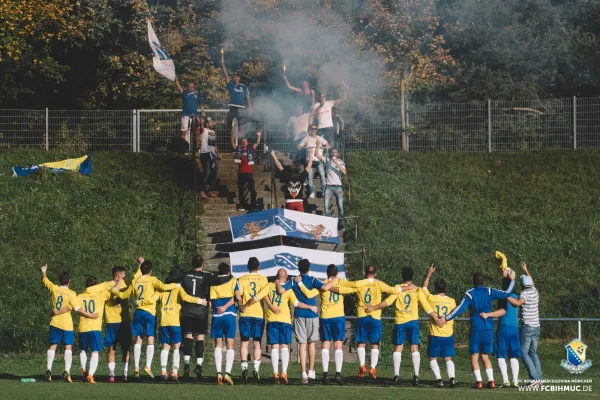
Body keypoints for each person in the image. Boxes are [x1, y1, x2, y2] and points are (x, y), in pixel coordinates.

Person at [241, 268, 317, 385]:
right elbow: (296, 303)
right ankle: (284, 372)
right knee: (284, 346)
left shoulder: (270, 286)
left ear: (277, 276)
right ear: (286, 277)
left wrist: (246, 305)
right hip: (285, 320)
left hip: (272, 320)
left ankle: (275, 373)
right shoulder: (288, 289)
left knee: (274, 347)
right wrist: (309, 307)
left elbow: (257, 297)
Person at [442, 270, 516, 389]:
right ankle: (491, 381)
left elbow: (460, 308)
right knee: (485, 356)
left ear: (473, 282)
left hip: (476, 328)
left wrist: (447, 318)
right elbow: (507, 293)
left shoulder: (470, 294)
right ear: (483, 282)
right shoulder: (489, 291)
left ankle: (479, 381)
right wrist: (512, 280)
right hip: (488, 327)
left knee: (474, 356)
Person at [328, 264, 404, 380]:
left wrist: (329, 287)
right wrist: (406, 288)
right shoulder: (379, 284)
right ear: (375, 274)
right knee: (375, 344)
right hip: (375, 317)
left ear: (365, 273)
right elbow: (393, 290)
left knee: (361, 342)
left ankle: (362, 365)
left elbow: (346, 289)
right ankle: (372, 368)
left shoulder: (361, 283)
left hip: (362, 315)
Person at [364, 267, 437, 386]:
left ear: (402, 276)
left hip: (400, 323)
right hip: (413, 322)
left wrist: (373, 307)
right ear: (412, 277)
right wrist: (437, 319)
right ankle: (416, 375)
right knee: (414, 348)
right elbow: (427, 307)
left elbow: (387, 302)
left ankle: (396, 374)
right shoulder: (417, 289)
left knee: (398, 348)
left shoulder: (398, 289)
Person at [298, 265, 370, 385]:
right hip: (338, 317)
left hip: (326, 317)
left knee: (325, 345)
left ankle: (325, 374)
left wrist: (300, 284)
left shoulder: (323, 284)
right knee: (338, 345)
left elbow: (310, 294)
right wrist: (369, 281)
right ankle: (338, 374)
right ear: (336, 274)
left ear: (327, 274)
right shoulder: (341, 282)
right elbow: (355, 286)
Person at [41, 264, 98, 383]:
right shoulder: (72, 293)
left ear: (59, 281)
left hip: (55, 322)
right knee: (68, 347)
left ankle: (49, 370)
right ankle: (67, 371)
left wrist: (44, 270)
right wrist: (90, 315)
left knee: (52, 346)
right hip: (66, 324)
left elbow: (45, 280)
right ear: (69, 282)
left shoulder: (54, 288)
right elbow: (77, 308)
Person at [180, 255, 233, 380]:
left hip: (188, 310)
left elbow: (171, 279)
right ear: (202, 264)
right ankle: (198, 364)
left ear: (192, 263)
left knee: (188, 337)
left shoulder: (185, 275)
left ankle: (186, 364)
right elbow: (220, 280)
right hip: (200, 312)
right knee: (200, 338)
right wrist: (229, 276)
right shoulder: (205, 276)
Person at [130, 260, 181, 379]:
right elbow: (163, 287)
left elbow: (130, 290)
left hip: (138, 311)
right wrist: (176, 285)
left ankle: (136, 367)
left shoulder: (135, 281)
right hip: (149, 312)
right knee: (150, 338)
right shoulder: (153, 280)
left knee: (138, 339)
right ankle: (148, 366)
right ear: (151, 271)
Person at [278, 259, 324, 384]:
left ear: (298, 268)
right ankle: (311, 370)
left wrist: (277, 281)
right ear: (309, 268)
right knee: (312, 343)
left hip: (299, 314)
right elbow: (324, 287)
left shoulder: (293, 280)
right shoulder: (313, 280)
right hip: (312, 314)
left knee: (302, 344)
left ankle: (303, 373)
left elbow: (281, 290)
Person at [156, 268, 204, 383]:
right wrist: (200, 301)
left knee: (165, 347)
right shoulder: (178, 288)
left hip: (163, 322)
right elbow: (186, 298)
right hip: (175, 321)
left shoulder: (162, 289)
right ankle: (174, 372)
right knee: (176, 347)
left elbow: (154, 299)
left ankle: (163, 372)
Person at [75, 276, 120, 384]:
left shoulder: (80, 295)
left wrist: (87, 314)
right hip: (94, 327)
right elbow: (114, 291)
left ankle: (84, 371)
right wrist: (119, 282)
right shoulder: (100, 295)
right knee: (95, 352)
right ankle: (90, 375)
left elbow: (76, 308)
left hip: (83, 327)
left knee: (83, 350)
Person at [480, 276, 521, 388]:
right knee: (513, 356)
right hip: (514, 328)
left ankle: (506, 381)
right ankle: (515, 381)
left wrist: (488, 314)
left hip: (504, 327)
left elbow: (502, 311)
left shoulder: (503, 297)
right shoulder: (516, 296)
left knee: (501, 355)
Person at [506, 262, 542, 386]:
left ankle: (534, 378)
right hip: (537, 326)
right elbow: (532, 282)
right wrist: (526, 270)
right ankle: (539, 378)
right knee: (533, 353)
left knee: (523, 353)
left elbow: (517, 303)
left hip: (528, 327)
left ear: (522, 284)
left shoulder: (525, 294)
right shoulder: (534, 290)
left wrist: (506, 296)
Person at [422, 265, 457, 388]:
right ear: (445, 288)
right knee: (448, 358)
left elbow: (424, 287)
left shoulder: (431, 298)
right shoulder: (452, 301)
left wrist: (429, 273)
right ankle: (452, 378)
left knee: (432, 358)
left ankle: (439, 380)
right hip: (448, 333)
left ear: (435, 288)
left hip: (435, 333)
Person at [103, 265, 140, 383]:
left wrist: (140, 264)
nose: (125, 276)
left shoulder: (125, 283)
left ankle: (124, 373)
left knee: (126, 348)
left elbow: (136, 276)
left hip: (124, 321)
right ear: (118, 275)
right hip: (112, 321)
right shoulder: (107, 285)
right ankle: (111, 374)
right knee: (111, 348)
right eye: (123, 274)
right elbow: (112, 293)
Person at [237, 257, 269, 381]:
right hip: (258, 314)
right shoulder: (263, 279)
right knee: (257, 342)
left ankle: (244, 367)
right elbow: (264, 295)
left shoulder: (242, 279)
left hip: (245, 314)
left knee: (244, 342)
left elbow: (238, 295)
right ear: (259, 267)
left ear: (247, 267)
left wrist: (241, 305)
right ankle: (256, 369)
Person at [209, 262, 241, 385]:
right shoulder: (233, 281)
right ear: (228, 272)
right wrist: (226, 306)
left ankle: (218, 373)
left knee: (218, 344)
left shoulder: (213, 282)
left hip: (217, 315)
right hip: (229, 315)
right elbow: (237, 297)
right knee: (230, 344)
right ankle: (227, 373)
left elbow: (211, 303)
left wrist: (219, 306)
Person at [270, 148, 315, 212]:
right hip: (299, 201)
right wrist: (311, 155)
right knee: (300, 219)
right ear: (299, 170)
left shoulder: (287, 175)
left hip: (289, 202)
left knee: (290, 220)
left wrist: (274, 155)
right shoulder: (301, 176)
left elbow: (279, 165)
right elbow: (309, 166)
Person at [221, 53, 251, 137]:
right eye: (235, 77)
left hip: (241, 108)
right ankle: (234, 145)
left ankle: (241, 145)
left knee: (242, 127)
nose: (236, 78)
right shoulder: (231, 85)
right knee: (232, 127)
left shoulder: (244, 87)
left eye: (237, 77)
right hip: (233, 107)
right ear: (233, 78)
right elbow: (226, 76)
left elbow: (248, 99)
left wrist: (249, 109)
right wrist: (223, 65)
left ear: (239, 78)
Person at [315, 147, 346, 229]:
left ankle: (341, 223)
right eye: (332, 152)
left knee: (340, 206)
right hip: (329, 187)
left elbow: (344, 172)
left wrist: (337, 163)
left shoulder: (341, 162)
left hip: (338, 187)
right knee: (326, 206)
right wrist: (317, 145)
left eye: (335, 152)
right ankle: (329, 223)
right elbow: (317, 155)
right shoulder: (327, 160)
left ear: (338, 154)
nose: (333, 154)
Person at [231, 130, 262, 211]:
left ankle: (254, 206)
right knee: (241, 190)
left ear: (247, 143)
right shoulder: (239, 149)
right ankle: (241, 205)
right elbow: (233, 144)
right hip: (241, 173)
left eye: (245, 142)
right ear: (241, 143)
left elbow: (256, 144)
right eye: (243, 142)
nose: (244, 143)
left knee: (252, 190)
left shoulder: (250, 148)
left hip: (249, 173)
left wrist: (258, 136)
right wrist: (232, 135)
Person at [298, 127, 329, 198]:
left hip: (319, 160)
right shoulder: (306, 138)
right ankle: (312, 192)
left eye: (315, 129)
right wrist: (299, 146)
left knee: (323, 177)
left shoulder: (320, 138)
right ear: (309, 130)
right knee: (310, 177)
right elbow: (300, 145)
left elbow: (327, 145)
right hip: (310, 160)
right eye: (312, 129)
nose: (314, 130)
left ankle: (323, 192)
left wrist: (326, 146)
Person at [175, 77, 205, 145]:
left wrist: (203, 112)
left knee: (197, 132)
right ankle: (183, 149)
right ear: (187, 87)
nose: (191, 88)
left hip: (195, 116)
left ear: (194, 88)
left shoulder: (197, 95)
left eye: (192, 87)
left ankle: (197, 148)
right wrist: (176, 81)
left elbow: (201, 104)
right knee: (183, 133)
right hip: (185, 115)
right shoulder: (184, 93)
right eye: (189, 86)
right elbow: (179, 87)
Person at [197, 117, 221, 200]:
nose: (213, 123)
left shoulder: (213, 132)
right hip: (205, 154)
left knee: (215, 173)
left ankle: (210, 190)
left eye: (212, 122)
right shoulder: (204, 131)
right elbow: (201, 128)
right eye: (211, 122)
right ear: (207, 124)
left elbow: (213, 144)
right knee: (206, 173)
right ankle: (201, 190)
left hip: (212, 155)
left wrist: (218, 153)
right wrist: (202, 122)